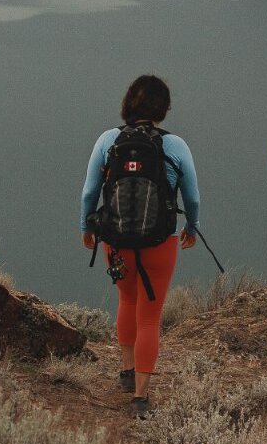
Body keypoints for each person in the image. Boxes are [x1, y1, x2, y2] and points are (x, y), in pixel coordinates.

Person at [81, 75, 200, 417]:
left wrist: (86, 226)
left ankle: (126, 370)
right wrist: (191, 227)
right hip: (160, 241)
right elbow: (191, 196)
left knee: (126, 299)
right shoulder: (175, 145)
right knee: (150, 315)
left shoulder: (109, 140)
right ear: (163, 108)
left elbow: (90, 192)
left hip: (115, 238)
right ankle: (141, 397)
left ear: (128, 103)